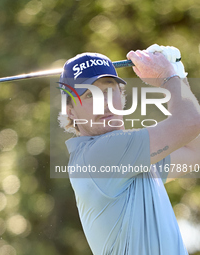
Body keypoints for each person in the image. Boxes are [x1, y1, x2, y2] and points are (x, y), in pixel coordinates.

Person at [58, 45, 200, 255]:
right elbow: (190, 122)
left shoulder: (132, 158)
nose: (104, 103)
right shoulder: (102, 154)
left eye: (109, 90)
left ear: (121, 96)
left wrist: (177, 75)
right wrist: (168, 76)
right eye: (89, 95)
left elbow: (194, 152)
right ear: (71, 111)